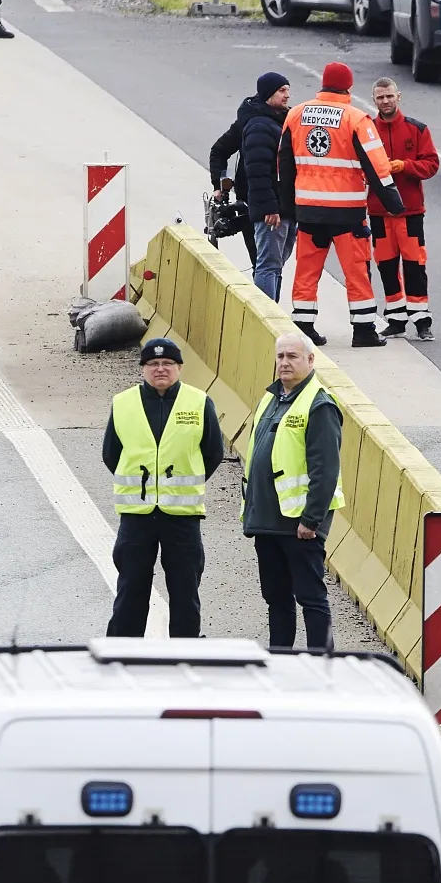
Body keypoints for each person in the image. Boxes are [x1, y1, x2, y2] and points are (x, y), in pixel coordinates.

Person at [103, 338, 225, 638]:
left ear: (179, 368)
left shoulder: (198, 402)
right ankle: (122, 652)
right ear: (143, 368)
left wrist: (181, 482)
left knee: (185, 593)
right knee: (131, 590)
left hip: (182, 516)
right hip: (137, 516)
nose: (161, 369)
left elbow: (212, 453)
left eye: (168, 364)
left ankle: (184, 653)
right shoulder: (123, 403)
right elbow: (111, 454)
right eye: (153, 364)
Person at [278, 61, 403, 349]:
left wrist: (288, 206)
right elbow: (377, 166)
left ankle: (303, 325)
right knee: (356, 270)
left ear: (323, 83)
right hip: (347, 212)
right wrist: (394, 204)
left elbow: (284, 164)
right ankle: (363, 330)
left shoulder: (296, 114)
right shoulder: (356, 118)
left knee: (307, 268)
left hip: (308, 209)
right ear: (348, 86)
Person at [243, 332, 344, 651]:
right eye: (281, 357)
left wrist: (311, 520)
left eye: (293, 357)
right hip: (267, 521)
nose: (285, 363)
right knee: (276, 599)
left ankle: (321, 665)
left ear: (310, 361)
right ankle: (280, 660)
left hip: (300, 525)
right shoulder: (271, 398)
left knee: (311, 598)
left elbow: (325, 469)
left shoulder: (319, 404)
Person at [365, 77, 440, 339]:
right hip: (379, 211)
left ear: (399, 96)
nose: (385, 101)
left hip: (409, 212)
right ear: (374, 100)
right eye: (380, 97)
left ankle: (422, 320)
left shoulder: (417, 129)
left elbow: (431, 164)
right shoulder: (366, 129)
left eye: (389, 96)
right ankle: (396, 318)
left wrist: (404, 166)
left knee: (414, 265)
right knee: (385, 265)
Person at [209, 72, 294, 302]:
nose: (288, 95)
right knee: (265, 264)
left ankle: (270, 311)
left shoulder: (285, 118)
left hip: (279, 203)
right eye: (282, 90)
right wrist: (219, 185)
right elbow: (226, 153)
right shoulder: (255, 123)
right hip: (260, 204)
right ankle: (266, 316)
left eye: (287, 89)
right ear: (268, 94)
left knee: (272, 264)